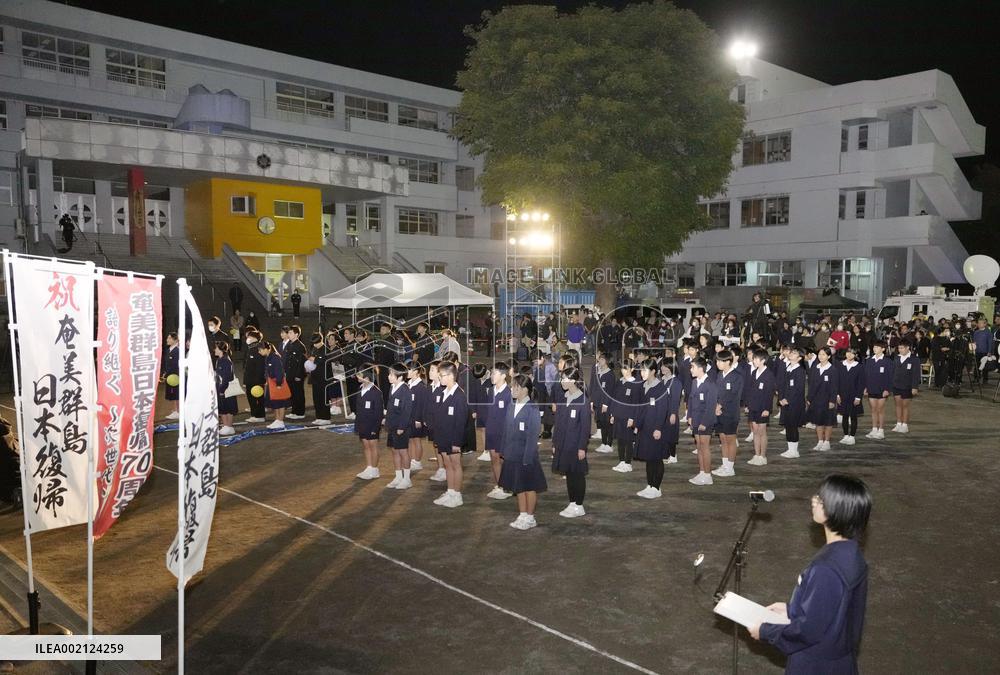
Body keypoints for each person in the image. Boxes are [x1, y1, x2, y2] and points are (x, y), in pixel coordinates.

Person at [750, 475, 872, 674]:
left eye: (821, 499)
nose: (813, 500)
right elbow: (831, 609)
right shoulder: (852, 553)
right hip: (841, 660)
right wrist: (793, 610)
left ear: (837, 510)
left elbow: (808, 630)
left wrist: (765, 631)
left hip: (815, 664)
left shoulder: (826, 568)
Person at [498, 374, 546, 529]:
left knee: (529, 487)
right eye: (512, 386)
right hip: (511, 453)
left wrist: (527, 457)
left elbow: (532, 437)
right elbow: (505, 429)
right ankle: (522, 514)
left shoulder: (532, 409)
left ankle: (530, 517)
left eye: (515, 387)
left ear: (524, 389)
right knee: (518, 486)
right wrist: (503, 450)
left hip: (526, 456)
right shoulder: (511, 405)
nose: (512, 389)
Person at [552, 367, 590, 518]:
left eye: (564, 379)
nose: (561, 381)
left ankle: (579, 505)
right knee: (569, 473)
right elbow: (558, 423)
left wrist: (582, 448)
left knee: (577, 475)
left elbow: (585, 428)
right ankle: (572, 502)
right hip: (563, 444)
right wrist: (555, 444)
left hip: (575, 445)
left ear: (573, 381)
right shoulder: (563, 397)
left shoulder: (583, 400)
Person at [632, 358, 671, 499]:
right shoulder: (643, 386)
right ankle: (650, 485)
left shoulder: (660, 388)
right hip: (645, 427)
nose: (642, 373)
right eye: (641, 370)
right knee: (649, 458)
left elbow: (663, 410)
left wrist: (658, 428)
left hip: (655, 428)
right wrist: (637, 425)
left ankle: (656, 487)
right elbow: (640, 408)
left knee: (656, 458)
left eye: (645, 370)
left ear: (653, 371)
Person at [433, 362, 467, 507]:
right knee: (447, 465)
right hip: (443, 435)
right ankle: (450, 491)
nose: (439, 377)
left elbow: (461, 421)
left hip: (453, 437)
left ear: (451, 376)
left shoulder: (459, 395)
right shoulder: (443, 392)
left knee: (455, 464)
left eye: (441, 375)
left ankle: (457, 495)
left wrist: (456, 442)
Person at [713, 350, 744, 477]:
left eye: (720, 361)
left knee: (730, 440)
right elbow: (716, 392)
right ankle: (725, 465)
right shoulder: (720, 375)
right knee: (723, 439)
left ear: (728, 362)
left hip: (730, 412)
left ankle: (730, 467)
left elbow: (733, 395)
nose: (717, 363)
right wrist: (715, 405)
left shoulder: (737, 376)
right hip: (718, 412)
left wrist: (720, 405)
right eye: (717, 360)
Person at [687, 357, 718, 485]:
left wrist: (704, 423)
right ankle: (701, 472)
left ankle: (707, 474)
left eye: (692, 367)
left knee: (705, 447)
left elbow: (711, 406)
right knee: (699, 446)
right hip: (695, 418)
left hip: (705, 420)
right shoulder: (695, 382)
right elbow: (690, 400)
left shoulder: (710, 384)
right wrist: (689, 415)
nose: (691, 370)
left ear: (700, 368)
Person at [384, 363, 414, 490]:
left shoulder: (405, 390)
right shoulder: (392, 387)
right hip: (392, 425)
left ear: (400, 377)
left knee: (403, 452)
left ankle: (407, 479)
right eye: (389, 374)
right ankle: (398, 477)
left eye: (391, 374)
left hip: (401, 427)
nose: (389, 376)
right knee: (394, 450)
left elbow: (407, 411)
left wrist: (402, 427)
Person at [485, 362, 512, 500]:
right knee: (494, 459)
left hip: (504, 433)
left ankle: (507, 487)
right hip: (491, 430)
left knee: (505, 460)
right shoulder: (491, 390)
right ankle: (499, 485)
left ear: (503, 375)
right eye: (491, 373)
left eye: (494, 373)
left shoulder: (509, 394)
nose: (491, 376)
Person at [609, 360, 641, 473]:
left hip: (628, 417)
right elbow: (614, 398)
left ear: (632, 370)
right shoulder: (620, 382)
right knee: (620, 440)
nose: (623, 371)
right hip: (618, 415)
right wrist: (612, 414)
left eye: (626, 369)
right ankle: (621, 461)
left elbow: (636, 403)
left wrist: (632, 418)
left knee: (628, 440)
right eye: (622, 369)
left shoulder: (636, 384)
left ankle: (628, 463)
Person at [806, 347, 839, 452]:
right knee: (818, 421)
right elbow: (811, 385)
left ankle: (827, 442)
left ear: (829, 356)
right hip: (816, 399)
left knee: (828, 421)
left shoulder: (832, 370)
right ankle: (820, 441)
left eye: (824, 354)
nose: (821, 356)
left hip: (827, 399)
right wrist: (809, 398)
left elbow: (834, 387)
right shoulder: (815, 368)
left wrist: (832, 401)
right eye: (819, 354)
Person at [354, 366, 384, 480]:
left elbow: (379, 412)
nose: (357, 376)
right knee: (366, 446)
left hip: (372, 424)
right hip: (362, 423)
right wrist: (357, 425)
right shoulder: (360, 389)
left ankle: (375, 469)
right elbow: (358, 409)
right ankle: (369, 467)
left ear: (366, 377)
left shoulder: (375, 392)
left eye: (359, 375)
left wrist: (375, 428)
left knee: (373, 446)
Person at [747, 348, 775, 465]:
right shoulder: (754, 372)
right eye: (753, 359)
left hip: (763, 407)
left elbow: (769, 394)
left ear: (763, 360)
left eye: (756, 359)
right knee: (755, 431)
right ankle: (756, 454)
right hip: (753, 406)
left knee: (762, 431)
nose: (754, 361)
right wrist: (748, 405)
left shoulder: (769, 375)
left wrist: (767, 409)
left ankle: (763, 456)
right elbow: (751, 390)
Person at [778, 348, 807, 459]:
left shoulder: (800, 370)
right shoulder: (788, 367)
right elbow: (783, 385)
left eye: (794, 353)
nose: (791, 354)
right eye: (791, 352)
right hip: (785, 401)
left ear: (799, 358)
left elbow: (798, 389)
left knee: (793, 426)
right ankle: (790, 449)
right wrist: (781, 398)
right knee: (788, 425)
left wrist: (788, 399)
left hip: (794, 402)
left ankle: (795, 451)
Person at [862, 340, 892, 440]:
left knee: (881, 410)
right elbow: (866, 375)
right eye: (874, 347)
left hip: (882, 390)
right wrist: (865, 387)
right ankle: (874, 429)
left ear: (883, 349)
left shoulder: (887, 361)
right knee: (873, 410)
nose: (875, 349)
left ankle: (881, 430)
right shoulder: (869, 360)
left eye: (877, 347)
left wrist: (887, 389)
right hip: (871, 388)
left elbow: (890, 376)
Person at [890, 338, 920, 434]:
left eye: (902, 348)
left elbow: (916, 374)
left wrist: (914, 387)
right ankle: (898, 423)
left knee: (905, 406)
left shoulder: (914, 359)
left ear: (908, 348)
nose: (900, 350)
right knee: (898, 405)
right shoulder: (897, 357)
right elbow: (893, 372)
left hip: (907, 386)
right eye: (899, 348)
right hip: (896, 385)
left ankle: (905, 425)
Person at [405, 360, 429, 472]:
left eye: (409, 369)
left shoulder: (421, 387)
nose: (407, 371)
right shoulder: (408, 384)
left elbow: (422, 405)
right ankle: (412, 459)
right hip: (408, 418)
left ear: (416, 372)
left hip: (416, 418)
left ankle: (417, 461)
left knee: (416, 440)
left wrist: (419, 419)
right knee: (410, 440)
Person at [837, 348, 864, 445]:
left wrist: (858, 397)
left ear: (856, 355)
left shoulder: (859, 367)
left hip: (854, 395)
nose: (849, 354)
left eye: (852, 353)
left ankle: (852, 436)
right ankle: (845, 435)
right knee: (844, 415)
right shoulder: (840, 365)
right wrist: (837, 395)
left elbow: (861, 383)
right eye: (848, 352)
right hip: (842, 394)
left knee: (853, 416)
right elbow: (837, 381)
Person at [590, 353, 616, 454]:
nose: (599, 361)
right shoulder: (598, 372)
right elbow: (594, 388)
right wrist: (592, 401)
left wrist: (605, 404)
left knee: (607, 424)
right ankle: (603, 443)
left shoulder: (610, 374)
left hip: (606, 405)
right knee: (601, 423)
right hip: (597, 403)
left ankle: (609, 444)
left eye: (601, 359)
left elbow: (609, 391)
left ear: (606, 361)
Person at [261, 341, 290, 429]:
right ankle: (277, 420)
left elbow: (279, 372)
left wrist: (278, 383)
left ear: (266, 349)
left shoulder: (275, 358)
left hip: (277, 383)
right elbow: (267, 371)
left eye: (260, 350)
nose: (259, 352)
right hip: (271, 383)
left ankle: (280, 421)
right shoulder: (268, 357)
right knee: (274, 403)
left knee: (280, 402)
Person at [307, 332, 332, 426]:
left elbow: (323, 360)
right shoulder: (314, 348)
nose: (314, 344)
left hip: (323, 378)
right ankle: (319, 416)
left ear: (320, 341)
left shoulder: (326, 349)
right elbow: (311, 358)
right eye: (313, 343)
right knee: (316, 398)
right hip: (315, 377)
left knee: (323, 398)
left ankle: (326, 417)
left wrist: (314, 359)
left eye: (316, 342)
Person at [214, 341, 237, 436]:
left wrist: (222, 389)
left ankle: (229, 426)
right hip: (220, 387)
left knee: (228, 407)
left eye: (215, 348)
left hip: (225, 388)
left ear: (220, 350)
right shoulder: (219, 360)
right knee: (222, 407)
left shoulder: (226, 361)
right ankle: (225, 425)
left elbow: (226, 377)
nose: (214, 350)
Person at [284, 325, 307, 419]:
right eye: (288, 332)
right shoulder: (289, 344)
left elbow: (302, 363)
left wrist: (298, 375)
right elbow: (287, 360)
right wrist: (285, 371)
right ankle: (294, 411)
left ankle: (300, 413)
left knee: (298, 393)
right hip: (290, 373)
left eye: (290, 333)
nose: (288, 334)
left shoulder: (300, 346)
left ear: (296, 334)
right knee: (292, 394)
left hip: (297, 374)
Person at [243, 329, 267, 422]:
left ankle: (260, 416)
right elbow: (247, 367)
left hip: (256, 380)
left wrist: (259, 381)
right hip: (249, 379)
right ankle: (254, 414)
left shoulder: (259, 350)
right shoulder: (250, 349)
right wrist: (245, 381)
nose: (248, 338)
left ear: (255, 339)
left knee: (258, 398)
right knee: (250, 398)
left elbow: (260, 367)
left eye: (250, 337)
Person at [163, 332, 180, 419]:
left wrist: (169, 374)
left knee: (176, 394)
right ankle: (175, 410)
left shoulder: (177, 350)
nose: (167, 340)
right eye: (167, 338)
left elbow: (176, 365)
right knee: (172, 395)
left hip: (175, 377)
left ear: (175, 340)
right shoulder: (169, 349)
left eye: (169, 338)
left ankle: (178, 411)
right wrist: (165, 373)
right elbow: (167, 364)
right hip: (170, 376)